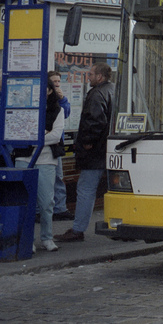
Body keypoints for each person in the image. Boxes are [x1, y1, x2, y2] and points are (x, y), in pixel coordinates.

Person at [56, 62, 113, 243]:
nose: (88, 78)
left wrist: (87, 142)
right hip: (111, 149)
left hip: (96, 152)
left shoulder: (97, 94)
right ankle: (121, 226)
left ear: (100, 77)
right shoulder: (114, 90)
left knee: (85, 189)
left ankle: (78, 229)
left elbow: (95, 121)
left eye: (91, 75)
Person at [13, 72, 66, 252]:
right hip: (23, 157)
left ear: (50, 91)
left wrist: (35, 138)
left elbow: (56, 136)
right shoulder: (22, 107)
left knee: (46, 202)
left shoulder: (57, 110)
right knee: (25, 200)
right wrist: (41, 136)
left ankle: (47, 238)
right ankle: (28, 238)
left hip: (46, 159)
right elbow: (18, 132)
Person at [50, 71, 74, 221]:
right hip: (48, 142)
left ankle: (60, 208)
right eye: (54, 82)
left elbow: (66, 114)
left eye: (59, 81)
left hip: (58, 142)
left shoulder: (60, 99)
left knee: (59, 176)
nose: (57, 84)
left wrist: (63, 99)